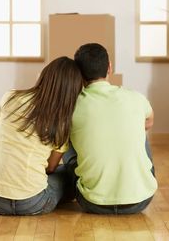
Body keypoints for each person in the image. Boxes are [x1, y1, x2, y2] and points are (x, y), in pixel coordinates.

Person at [0, 56, 83, 215]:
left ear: (43, 76)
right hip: (35, 203)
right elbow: (50, 168)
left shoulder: (9, 97)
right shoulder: (62, 122)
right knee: (68, 174)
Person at [63, 43, 157, 214]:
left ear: (78, 73)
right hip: (141, 200)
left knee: (66, 137)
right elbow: (149, 122)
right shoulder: (136, 98)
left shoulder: (71, 106)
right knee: (138, 127)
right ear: (110, 67)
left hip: (92, 202)